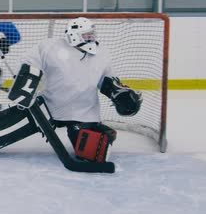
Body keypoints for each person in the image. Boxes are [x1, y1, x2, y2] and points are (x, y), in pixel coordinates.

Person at [18, 17, 142, 162]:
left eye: (92, 34)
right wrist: (24, 83)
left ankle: (95, 130)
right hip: (51, 107)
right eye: (87, 35)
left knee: (93, 151)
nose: (91, 38)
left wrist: (117, 92)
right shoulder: (51, 47)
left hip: (84, 111)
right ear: (74, 35)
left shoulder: (101, 53)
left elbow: (106, 79)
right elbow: (29, 62)